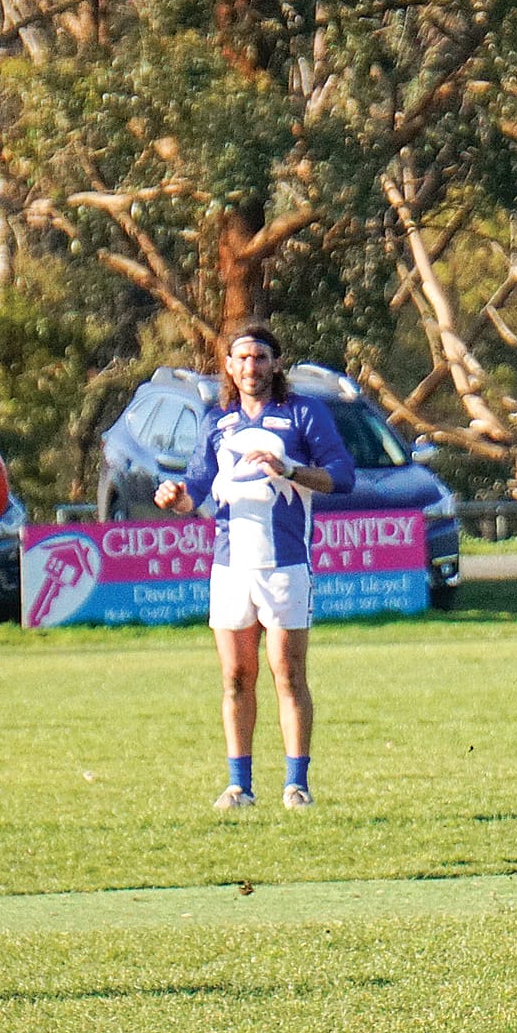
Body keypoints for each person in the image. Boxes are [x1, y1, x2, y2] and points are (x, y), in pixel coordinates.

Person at [155, 323, 356, 811]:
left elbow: (342, 477)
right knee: (236, 677)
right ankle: (239, 785)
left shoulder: (303, 413)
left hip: (285, 565)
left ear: (277, 363)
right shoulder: (216, 420)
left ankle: (297, 784)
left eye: (261, 357)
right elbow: (198, 487)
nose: (251, 367)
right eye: (242, 358)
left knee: (287, 674)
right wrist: (177, 497)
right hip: (230, 567)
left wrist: (289, 470)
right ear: (227, 365)